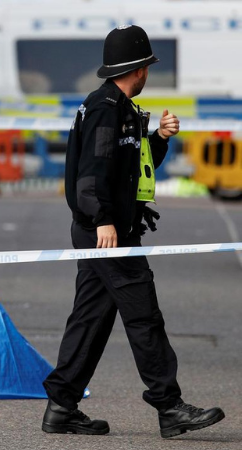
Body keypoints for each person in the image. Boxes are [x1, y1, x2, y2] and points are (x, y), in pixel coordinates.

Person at [41, 25, 225, 439]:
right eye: (148, 68)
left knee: (91, 318)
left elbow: (133, 171)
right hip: (106, 232)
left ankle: (61, 407)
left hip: (101, 229)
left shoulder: (118, 108)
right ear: (139, 69)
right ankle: (170, 406)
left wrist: (159, 138)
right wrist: (104, 218)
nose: (148, 75)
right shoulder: (107, 109)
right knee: (143, 314)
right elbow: (92, 175)